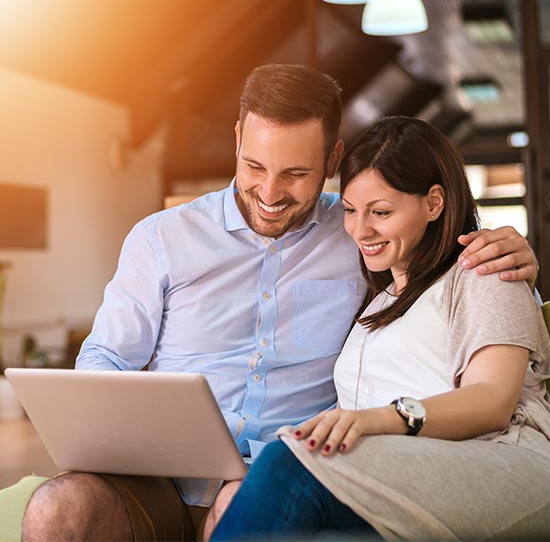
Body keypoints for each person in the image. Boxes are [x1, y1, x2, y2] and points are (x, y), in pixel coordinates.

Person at [21, 67, 538, 542]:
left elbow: (442, 267)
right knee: (59, 509)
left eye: (295, 174)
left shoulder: (360, 236)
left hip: (277, 474)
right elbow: (106, 360)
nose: (269, 192)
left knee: (244, 494)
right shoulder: (161, 239)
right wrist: (96, 437)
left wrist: (510, 257)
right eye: (254, 165)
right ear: (237, 140)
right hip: (157, 478)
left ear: (333, 162)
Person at [211, 116, 550, 541]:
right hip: (404, 471)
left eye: (381, 212)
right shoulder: (381, 299)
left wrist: (381, 419)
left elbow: (492, 401)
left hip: (498, 462)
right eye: (351, 211)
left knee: (287, 462)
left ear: (433, 203)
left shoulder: (482, 271)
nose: (360, 229)